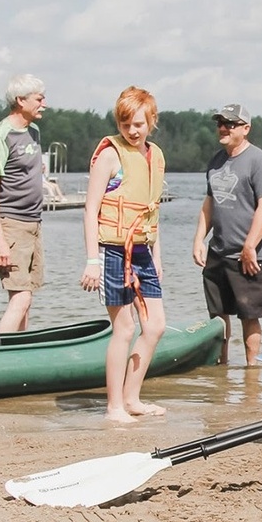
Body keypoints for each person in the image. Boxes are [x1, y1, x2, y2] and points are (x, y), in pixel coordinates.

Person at [79, 87, 168, 423]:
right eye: (126, 123)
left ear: (152, 122)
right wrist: (91, 260)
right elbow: (90, 210)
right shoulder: (109, 155)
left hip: (143, 250)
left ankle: (132, 398)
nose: (132, 131)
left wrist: (157, 257)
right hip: (112, 250)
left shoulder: (155, 156)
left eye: (139, 124)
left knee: (156, 325)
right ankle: (113, 406)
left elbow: (152, 212)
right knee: (124, 328)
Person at [193, 103, 262, 367]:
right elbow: (210, 202)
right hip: (218, 252)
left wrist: (249, 245)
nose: (223, 128)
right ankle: (222, 369)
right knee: (217, 316)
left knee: (249, 315)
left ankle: (252, 374)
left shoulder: (259, 160)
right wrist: (199, 239)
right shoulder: (216, 161)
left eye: (230, 124)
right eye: (220, 122)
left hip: (249, 255)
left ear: (245, 128)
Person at [0, 74, 48, 333]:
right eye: (39, 99)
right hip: (10, 224)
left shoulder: (34, 131)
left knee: (25, 296)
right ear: (21, 101)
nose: (44, 104)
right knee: (22, 297)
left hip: (34, 223)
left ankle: (18, 352)